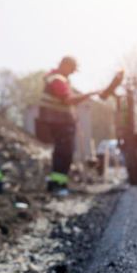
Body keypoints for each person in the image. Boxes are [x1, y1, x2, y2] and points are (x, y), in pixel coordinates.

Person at [38, 57, 100, 194]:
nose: (72, 73)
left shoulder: (54, 78)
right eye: (72, 69)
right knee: (64, 153)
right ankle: (59, 186)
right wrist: (88, 94)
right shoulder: (58, 80)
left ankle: (58, 184)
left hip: (59, 123)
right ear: (65, 65)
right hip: (59, 124)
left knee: (63, 153)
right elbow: (68, 100)